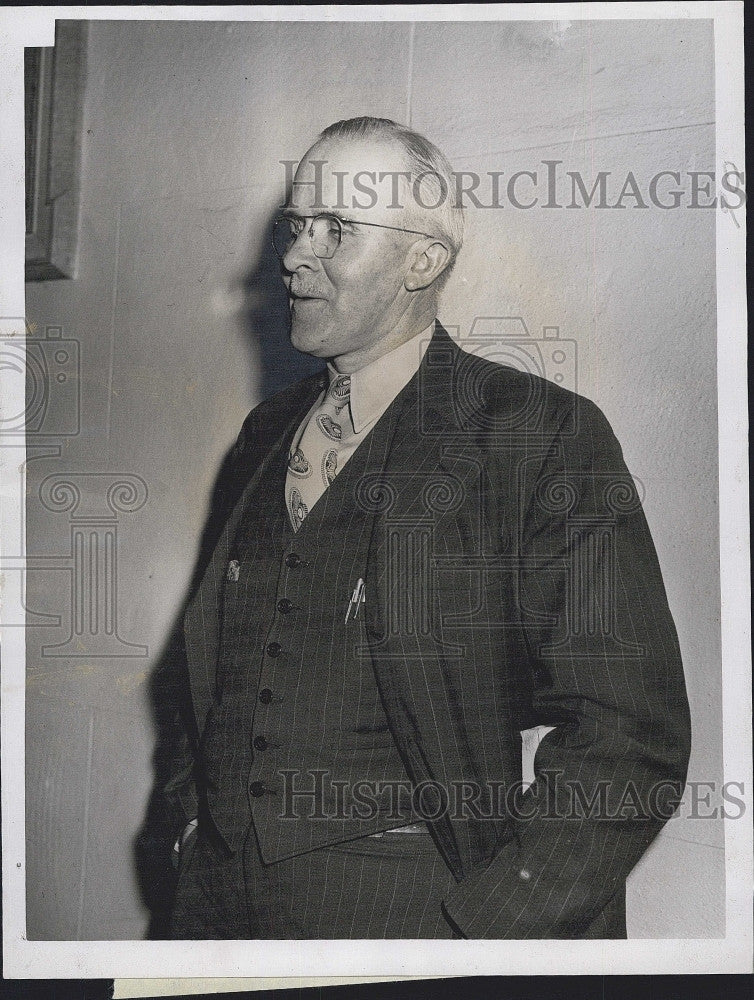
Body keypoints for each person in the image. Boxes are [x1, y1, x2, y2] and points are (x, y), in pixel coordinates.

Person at [157, 116, 691, 939]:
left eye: (337, 229)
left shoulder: (535, 434)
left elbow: (630, 732)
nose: (297, 254)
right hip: (213, 913)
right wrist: (194, 827)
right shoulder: (266, 433)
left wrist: (494, 927)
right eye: (297, 226)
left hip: (414, 913)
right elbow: (207, 670)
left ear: (424, 259)